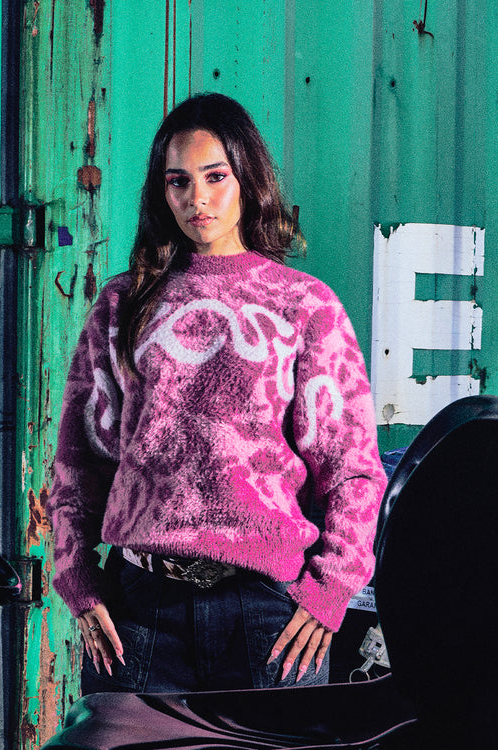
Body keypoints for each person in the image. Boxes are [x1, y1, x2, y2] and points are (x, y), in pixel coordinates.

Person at [47, 93, 387, 695]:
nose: (196, 199)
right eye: (178, 181)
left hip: (268, 614)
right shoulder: (122, 304)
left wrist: (330, 590)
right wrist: (77, 578)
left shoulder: (305, 306)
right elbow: (78, 460)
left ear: (246, 179)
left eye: (215, 177)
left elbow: (353, 469)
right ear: (162, 191)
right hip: (140, 613)